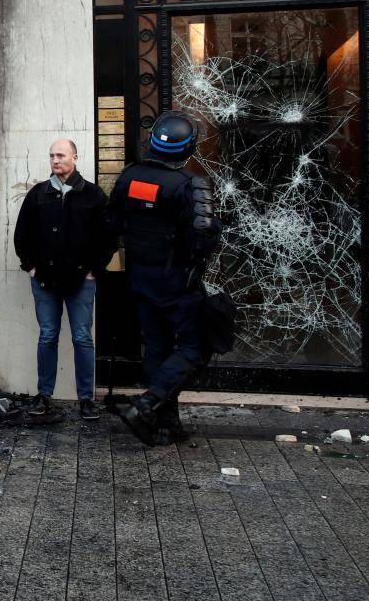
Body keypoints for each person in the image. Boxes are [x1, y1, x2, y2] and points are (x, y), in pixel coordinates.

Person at [106, 111, 221, 446]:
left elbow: (112, 222)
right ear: (189, 147)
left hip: (141, 276)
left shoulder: (131, 176)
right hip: (177, 281)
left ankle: (165, 422)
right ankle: (146, 404)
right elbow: (202, 240)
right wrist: (216, 229)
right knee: (193, 347)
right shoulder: (190, 185)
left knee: (156, 345)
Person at [13, 138, 114, 421]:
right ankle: (44, 395)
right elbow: (22, 234)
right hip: (45, 280)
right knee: (47, 336)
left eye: (60, 155)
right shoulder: (38, 194)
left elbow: (107, 238)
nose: (55, 160)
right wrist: (30, 266)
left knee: (82, 338)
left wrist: (94, 269)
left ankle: (86, 399)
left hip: (82, 279)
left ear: (75, 157)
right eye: (51, 156)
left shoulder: (93, 195)